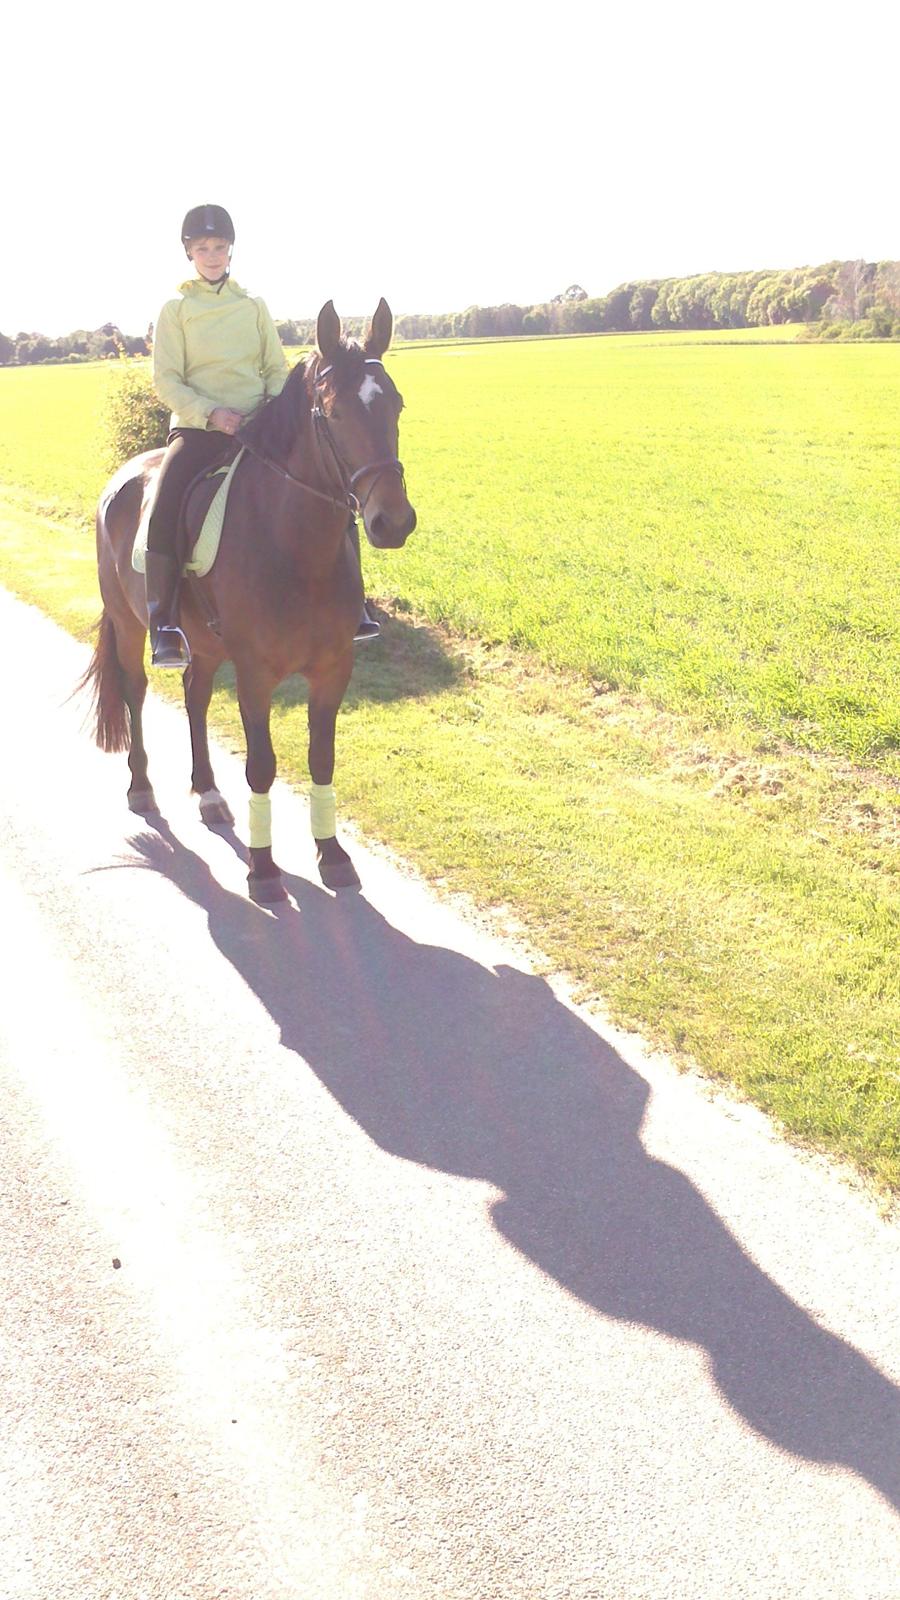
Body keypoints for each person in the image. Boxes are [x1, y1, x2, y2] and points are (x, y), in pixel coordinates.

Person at [148, 204, 378, 669]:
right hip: (200, 430)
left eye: (219, 246)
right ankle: (165, 622)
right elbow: (166, 382)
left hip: (259, 427)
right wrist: (214, 413)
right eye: (202, 248)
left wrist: (272, 412)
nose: (212, 255)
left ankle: (355, 604)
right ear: (189, 253)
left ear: (231, 250)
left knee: (333, 490)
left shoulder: (253, 305)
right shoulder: (175, 310)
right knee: (165, 500)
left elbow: (275, 369)